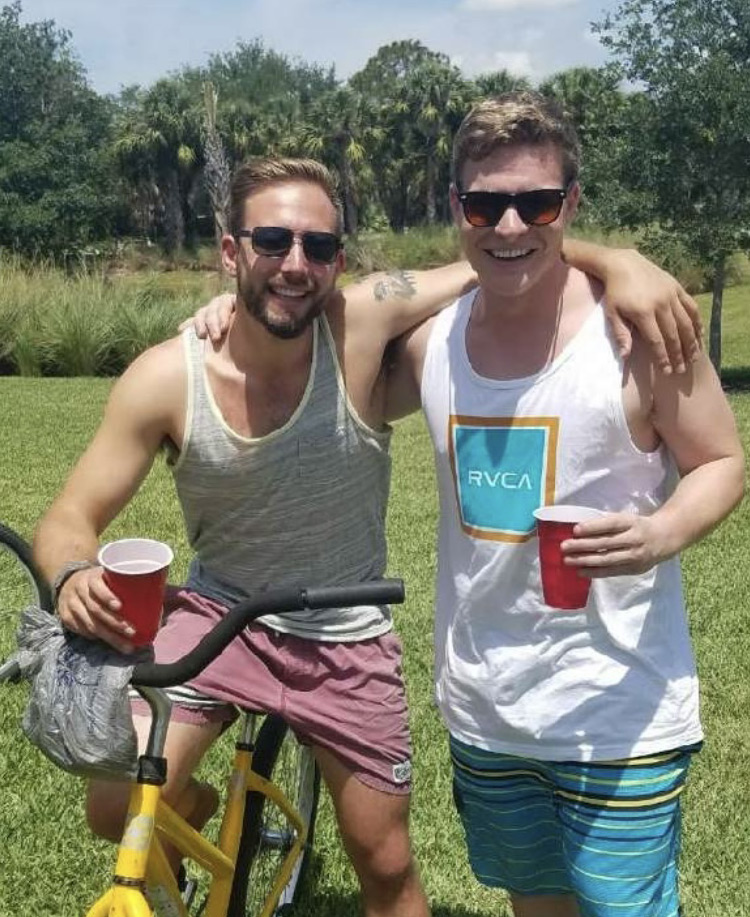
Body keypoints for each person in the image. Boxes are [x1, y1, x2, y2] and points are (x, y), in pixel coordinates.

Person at [33, 154, 702, 917]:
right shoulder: (167, 378)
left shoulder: (358, 328)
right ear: (229, 251)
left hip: (344, 632)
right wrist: (73, 573)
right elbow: (68, 515)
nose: (295, 263)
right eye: (271, 241)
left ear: (339, 262)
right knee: (114, 805)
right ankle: (196, 804)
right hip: (221, 617)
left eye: (317, 246)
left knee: (384, 863)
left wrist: (617, 259)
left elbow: (500, 253)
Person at [384, 93, 745, 917]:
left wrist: (660, 532)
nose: (510, 225)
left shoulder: (639, 336)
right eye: (485, 205)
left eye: (538, 203)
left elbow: (724, 461)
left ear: (570, 202)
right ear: (456, 207)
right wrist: (230, 304)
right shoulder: (433, 342)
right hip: (486, 708)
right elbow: (336, 307)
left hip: (619, 713)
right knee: (535, 903)